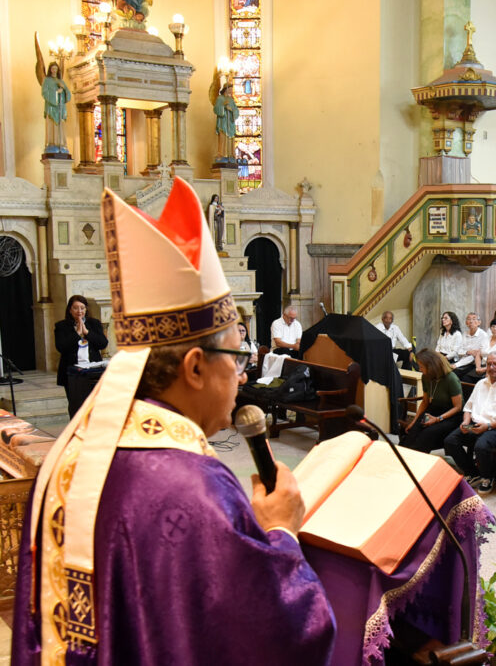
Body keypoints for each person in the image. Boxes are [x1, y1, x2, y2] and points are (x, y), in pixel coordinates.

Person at [13, 178, 336, 663]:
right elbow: (285, 627)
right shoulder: (191, 488)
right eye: (237, 357)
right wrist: (281, 533)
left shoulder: (79, 450)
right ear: (195, 367)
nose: (242, 370)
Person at [442, 352, 496, 490]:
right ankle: (472, 472)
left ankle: (487, 476)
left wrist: (488, 426)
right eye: (489, 364)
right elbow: (468, 407)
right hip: (475, 423)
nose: (491, 367)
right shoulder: (480, 383)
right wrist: (466, 421)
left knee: (481, 446)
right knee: (450, 441)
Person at [54, 294, 109, 417]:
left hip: (92, 370)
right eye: (76, 308)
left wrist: (87, 333)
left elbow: (103, 343)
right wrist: (77, 334)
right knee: (75, 406)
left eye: (82, 308)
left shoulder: (94, 323)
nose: (79, 311)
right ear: (70, 309)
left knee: (93, 405)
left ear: (86, 309)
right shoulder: (61, 326)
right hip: (72, 371)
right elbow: (61, 347)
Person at [400, 349, 463, 454]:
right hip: (433, 411)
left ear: (431, 366)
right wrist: (414, 421)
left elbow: (457, 407)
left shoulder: (451, 379)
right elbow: (425, 402)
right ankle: (401, 458)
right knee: (411, 432)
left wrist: (438, 419)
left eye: (421, 366)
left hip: (450, 416)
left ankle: (415, 462)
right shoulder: (426, 377)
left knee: (426, 434)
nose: (419, 369)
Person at [453, 311, 490, 379]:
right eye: (469, 319)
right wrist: (468, 352)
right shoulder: (464, 334)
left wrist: (457, 364)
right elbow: (459, 351)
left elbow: (478, 354)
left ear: (479, 322)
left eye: (474, 319)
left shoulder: (483, 335)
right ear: (466, 323)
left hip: (477, 364)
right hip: (464, 362)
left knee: (463, 378)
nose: (471, 321)